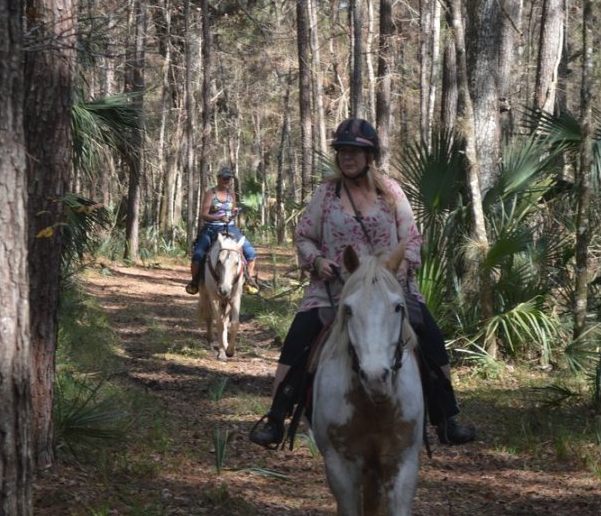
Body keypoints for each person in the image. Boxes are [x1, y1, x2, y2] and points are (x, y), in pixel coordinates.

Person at [249, 118, 476, 448]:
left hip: (387, 290)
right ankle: (276, 416)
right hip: (335, 291)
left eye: (355, 151)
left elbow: (412, 239)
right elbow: (304, 236)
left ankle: (446, 417)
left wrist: (401, 266)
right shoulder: (326, 195)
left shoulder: (391, 192)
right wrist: (317, 261)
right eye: (342, 151)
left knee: (429, 334)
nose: (347, 157)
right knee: (299, 337)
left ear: (370, 156)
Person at [185, 165, 259, 296]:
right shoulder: (210, 193)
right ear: (218, 178)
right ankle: (195, 282)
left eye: (228, 178)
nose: (226, 180)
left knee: (250, 252)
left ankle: (248, 280)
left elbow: (232, 210)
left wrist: (234, 212)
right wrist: (218, 217)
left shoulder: (231, 194)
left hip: (230, 227)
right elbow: (204, 214)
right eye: (224, 177)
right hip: (211, 228)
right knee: (198, 255)